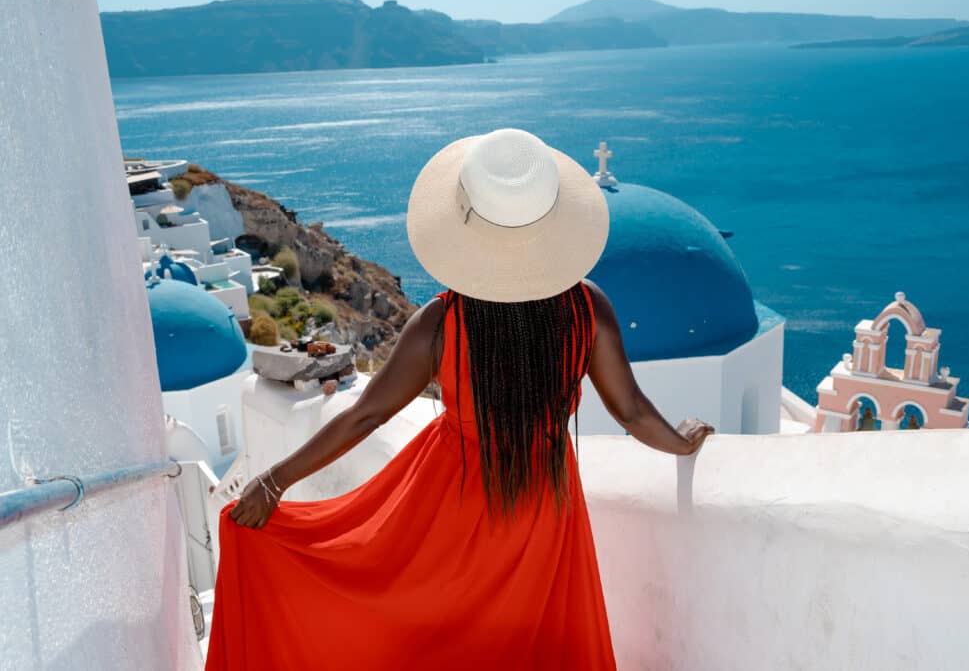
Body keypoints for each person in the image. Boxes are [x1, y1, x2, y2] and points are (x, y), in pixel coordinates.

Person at [206, 129, 714, 670]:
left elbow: (365, 415)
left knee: (430, 636)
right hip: (541, 503)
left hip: (451, 497)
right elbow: (630, 409)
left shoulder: (442, 324)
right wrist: (681, 443)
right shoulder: (588, 309)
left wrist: (274, 481)